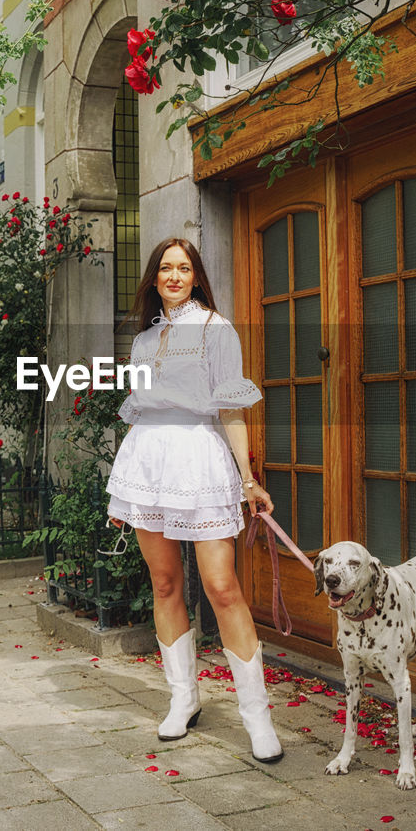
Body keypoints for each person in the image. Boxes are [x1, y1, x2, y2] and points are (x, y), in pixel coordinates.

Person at [106, 237, 282, 763]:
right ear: (154, 279)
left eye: (184, 268)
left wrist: (248, 479)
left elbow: (230, 408)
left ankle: (257, 718)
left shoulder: (215, 330)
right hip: (148, 462)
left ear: (197, 276)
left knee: (222, 587)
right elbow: (139, 412)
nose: (175, 276)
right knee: (164, 582)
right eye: (166, 268)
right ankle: (183, 699)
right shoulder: (142, 342)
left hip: (199, 461)